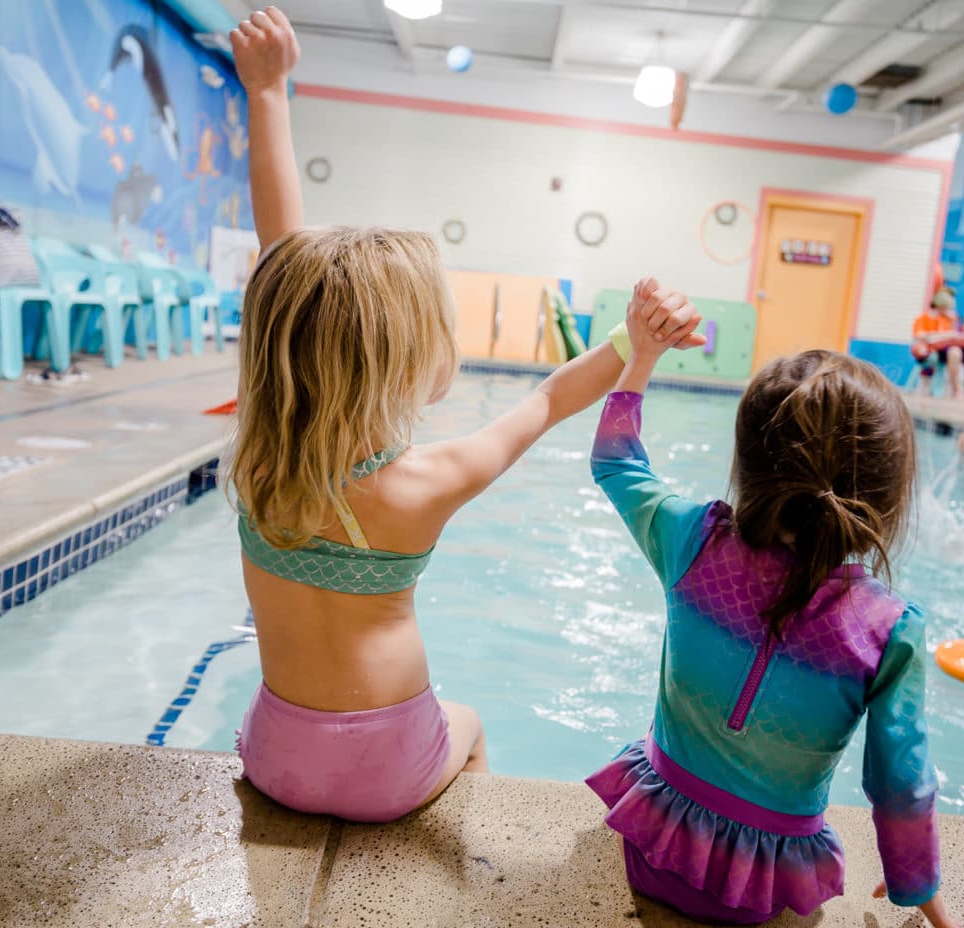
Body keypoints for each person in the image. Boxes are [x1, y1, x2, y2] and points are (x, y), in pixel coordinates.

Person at [227, 8, 705, 823]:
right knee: (472, 725)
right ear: (409, 364)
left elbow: (282, 261)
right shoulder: (428, 481)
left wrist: (267, 92)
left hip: (270, 755)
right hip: (386, 774)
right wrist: (637, 336)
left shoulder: (258, 457)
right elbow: (550, 398)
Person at [585, 328, 960, 927]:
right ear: (886, 498)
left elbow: (615, 460)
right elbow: (901, 784)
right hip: (768, 882)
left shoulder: (693, 540)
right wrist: (918, 887)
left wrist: (645, 353)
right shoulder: (890, 630)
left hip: (654, 848)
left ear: (749, 464)